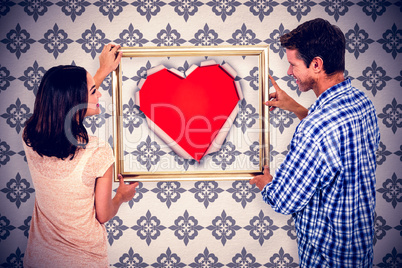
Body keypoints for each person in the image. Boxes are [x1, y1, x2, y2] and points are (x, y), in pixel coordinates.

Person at [250, 18, 380, 267]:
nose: (289, 72)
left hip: (327, 259)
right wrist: (297, 108)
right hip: (358, 253)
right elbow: (334, 143)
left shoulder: (315, 130)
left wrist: (265, 183)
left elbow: (284, 199)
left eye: (293, 64)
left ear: (316, 64)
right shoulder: (362, 103)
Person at [22, 44, 139, 267]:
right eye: (94, 90)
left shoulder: (29, 138)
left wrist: (102, 71)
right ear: (76, 101)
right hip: (84, 260)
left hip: (39, 258)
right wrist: (121, 197)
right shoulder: (98, 151)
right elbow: (103, 214)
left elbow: (65, 109)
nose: (100, 93)